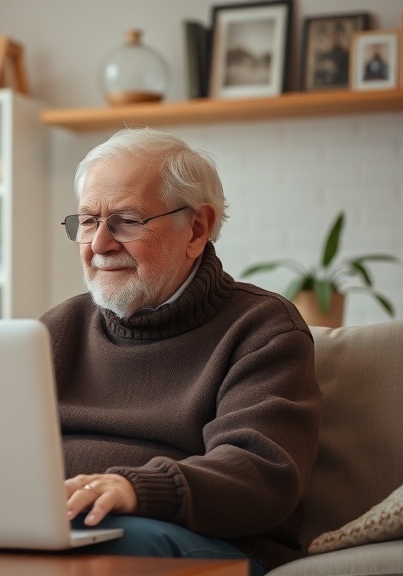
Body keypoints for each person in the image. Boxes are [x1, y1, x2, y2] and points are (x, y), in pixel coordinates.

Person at [44, 128, 321, 575]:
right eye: (88, 222)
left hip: (209, 540)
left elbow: (262, 470)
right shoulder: (56, 330)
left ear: (196, 228)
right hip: (58, 523)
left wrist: (135, 488)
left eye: (126, 221)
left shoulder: (263, 329)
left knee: (109, 542)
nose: (98, 245)